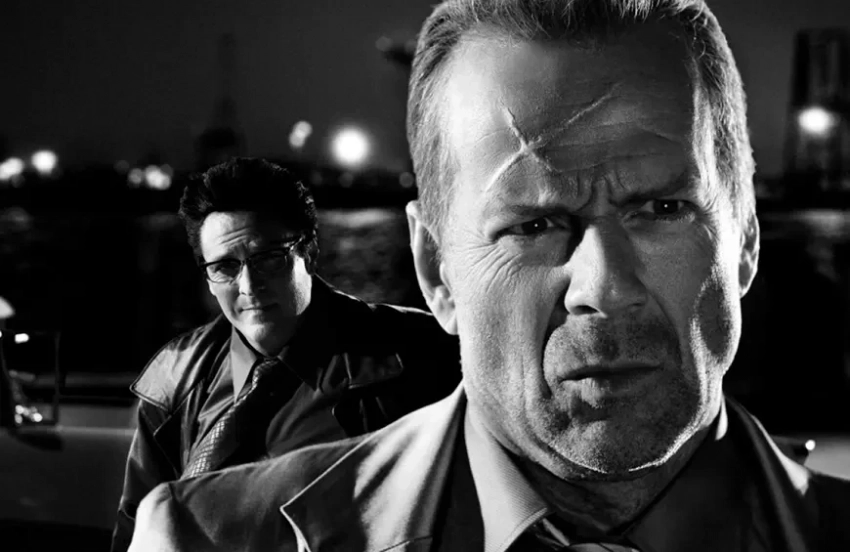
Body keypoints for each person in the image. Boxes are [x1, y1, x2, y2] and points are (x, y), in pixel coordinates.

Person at [129, 1, 850, 550]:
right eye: (533, 225)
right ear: (434, 269)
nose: (604, 287)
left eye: (663, 209)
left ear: (744, 237)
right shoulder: (206, 539)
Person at [111, 157, 460, 551]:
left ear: (308, 251)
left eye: (268, 259)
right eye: (225, 267)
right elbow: (137, 529)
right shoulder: (176, 377)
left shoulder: (418, 353)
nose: (248, 285)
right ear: (208, 278)